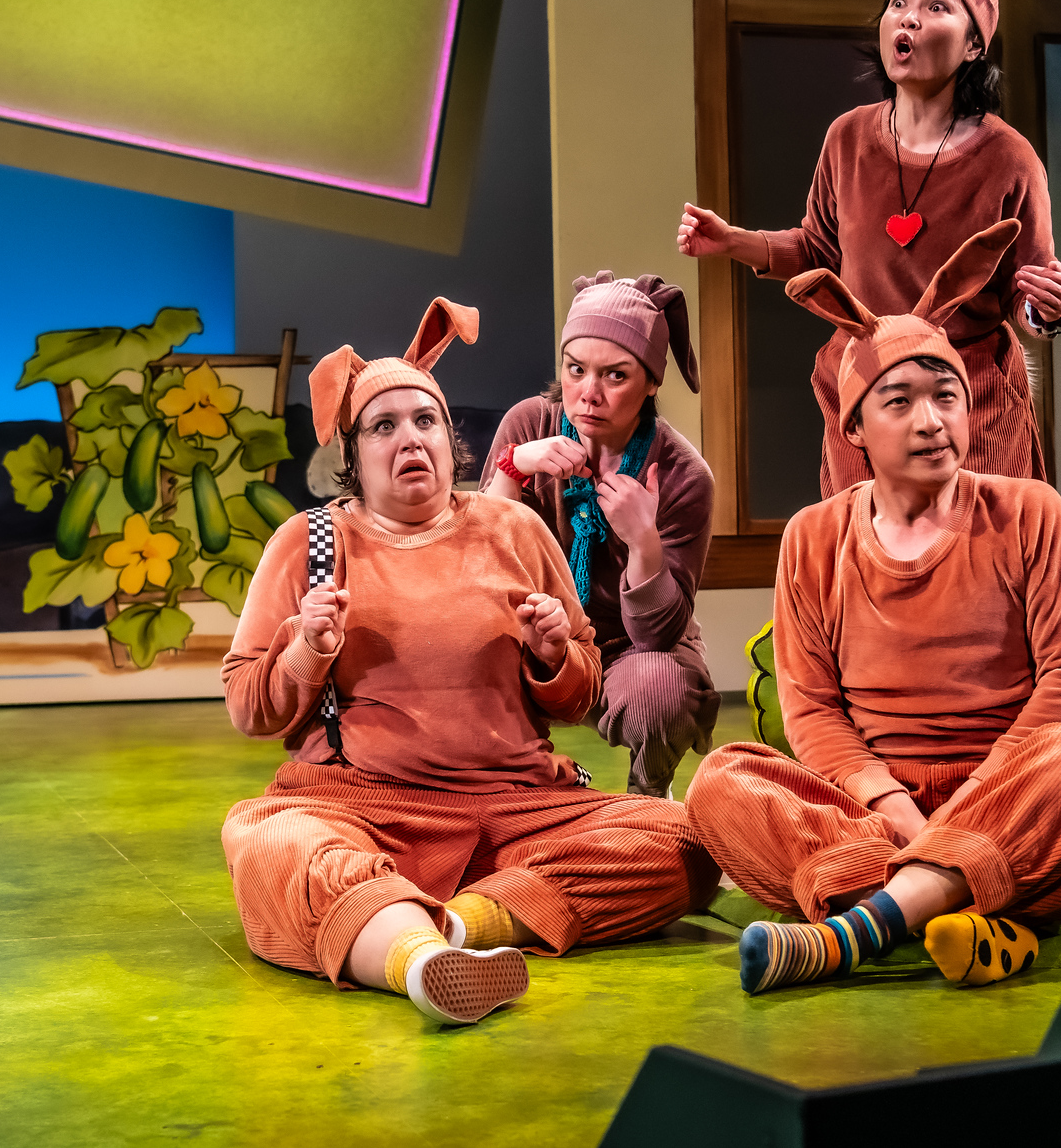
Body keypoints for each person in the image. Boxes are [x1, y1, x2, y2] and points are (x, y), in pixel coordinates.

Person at [220, 297, 718, 1026]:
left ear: (450, 438)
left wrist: (556, 654)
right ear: (352, 454)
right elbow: (245, 702)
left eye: (425, 421)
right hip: (367, 807)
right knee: (273, 842)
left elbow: (577, 697)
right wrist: (303, 653)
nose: (409, 439)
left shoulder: (513, 527)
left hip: (518, 810)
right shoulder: (310, 542)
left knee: (687, 843)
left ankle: (464, 927)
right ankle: (417, 961)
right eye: (383, 427)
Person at [683, 223, 1061, 992]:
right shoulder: (815, 536)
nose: (931, 420)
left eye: (947, 396)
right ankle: (960, 905)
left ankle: (858, 929)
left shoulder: (1030, 512)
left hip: (1009, 787)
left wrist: (971, 801)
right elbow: (814, 711)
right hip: (875, 805)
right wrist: (894, 806)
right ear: (853, 425)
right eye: (901, 401)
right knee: (720, 782)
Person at [676, 0, 1061, 494]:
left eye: (938, 6)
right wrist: (732, 240)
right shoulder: (848, 137)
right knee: (865, 568)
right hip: (862, 383)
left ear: (975, 43)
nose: (910, 16)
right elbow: (818, 251)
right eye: (900, 2)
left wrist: (1052, 308)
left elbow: (1033, 298)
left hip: (967, 395)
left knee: (981, 565)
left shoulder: (1009, 157)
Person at [481, 272, 717, 797]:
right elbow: (475, 565)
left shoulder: (684, 475)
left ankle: (648, 796)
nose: (589, 393)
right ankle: (513, 789)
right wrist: (513, 470)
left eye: (615, 376)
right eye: (576, 370)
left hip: (629, 651)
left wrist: (644, 541)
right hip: (531, 634)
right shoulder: (528, 425)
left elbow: (659, 635)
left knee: (662, 689)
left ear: (652, 382)